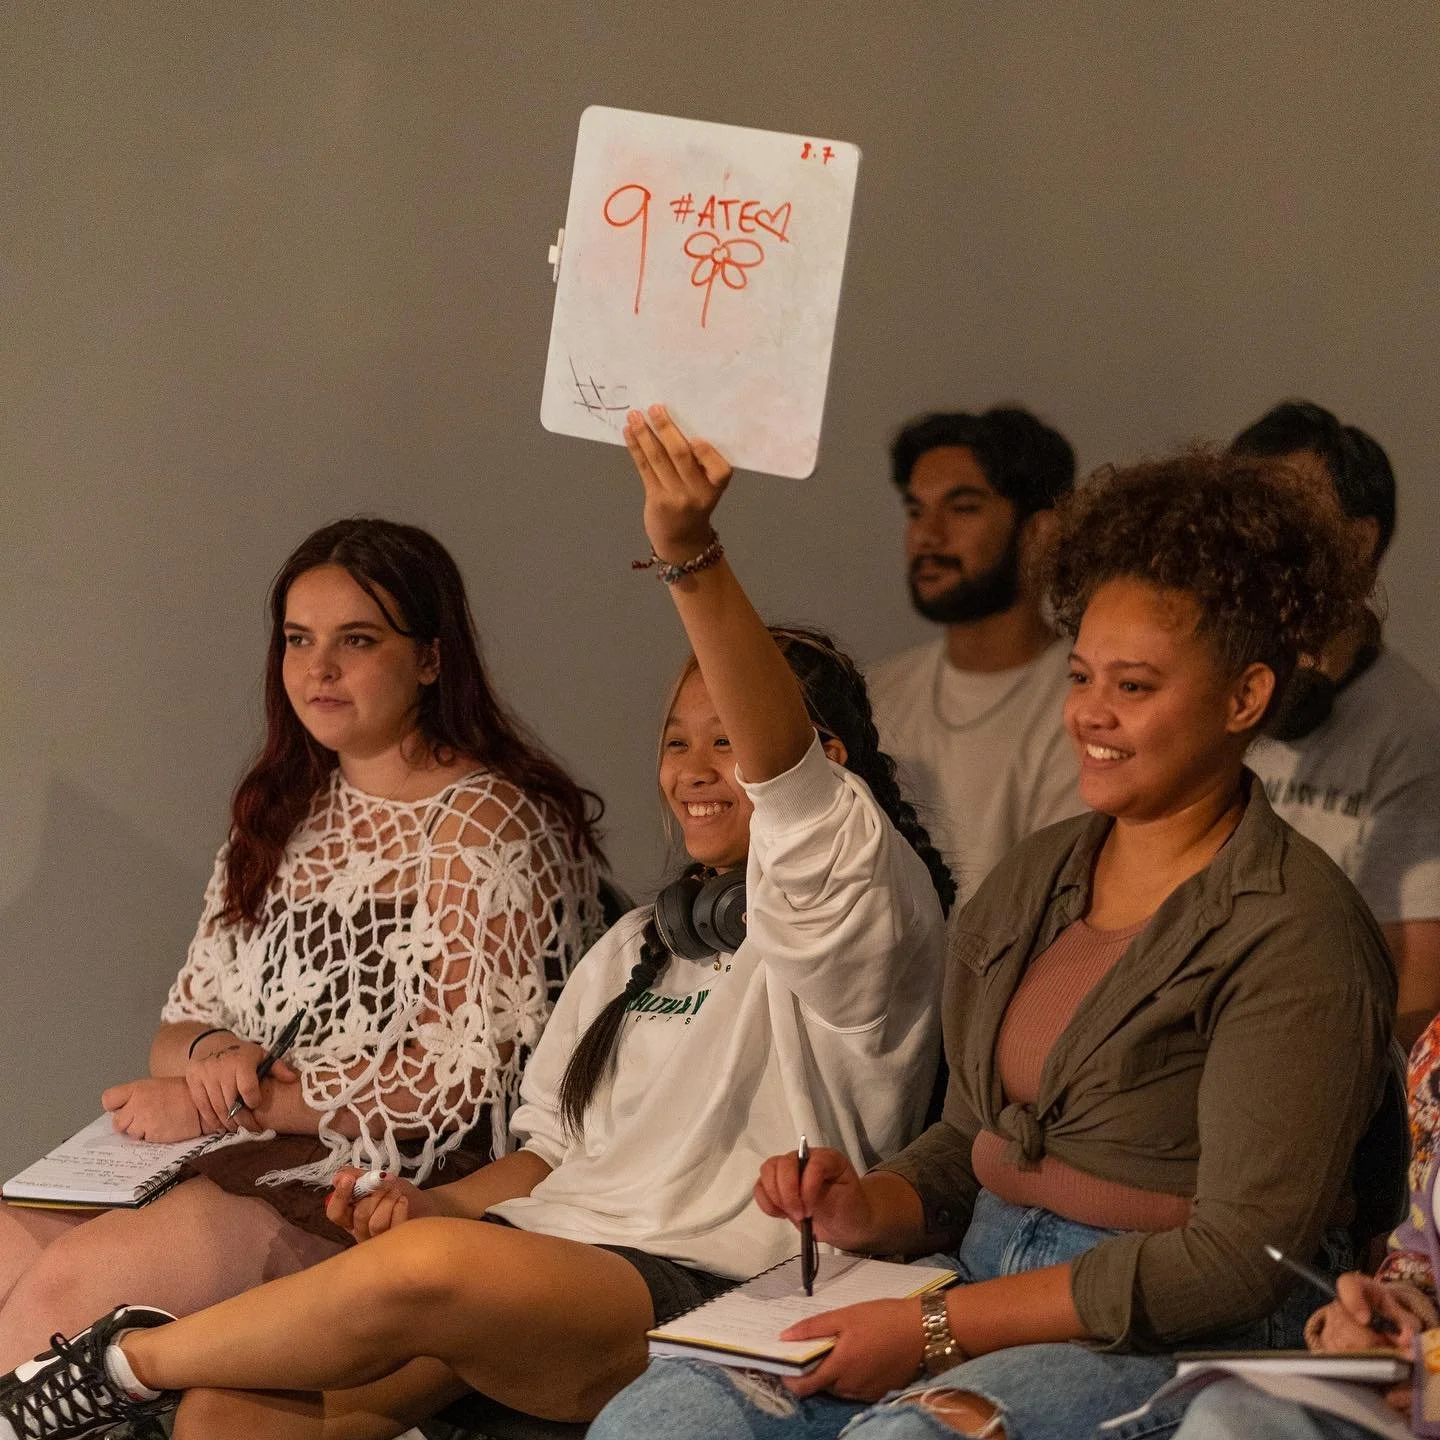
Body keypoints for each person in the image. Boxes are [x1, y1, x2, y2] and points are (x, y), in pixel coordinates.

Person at [0, 406, 952, 1440]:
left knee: (418, 1269)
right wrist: (441, 1205)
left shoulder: (857, 919)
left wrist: (691, 556)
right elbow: (547, 1151)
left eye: (728, 742)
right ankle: (120, 1380)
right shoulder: (642, 945)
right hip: (539, 1249)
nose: (693, 769)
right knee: (238, 1414)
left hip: (714, 1281)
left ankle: (110, 1368)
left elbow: (791, 784)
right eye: (678, 741)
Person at [589, 446, 1397, 1440]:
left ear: (1245, 697)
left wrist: (939, 1328)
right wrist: (869, 1205)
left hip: (1161, 1335)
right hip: (972, 1275)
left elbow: (1234, 1262)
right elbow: (971, 1143)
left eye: (1135, 686)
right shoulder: (1036, 876)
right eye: (1082, 676)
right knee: (660, 1415)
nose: (1090, 713)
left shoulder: (1297, 932)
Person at [0, 518, 606, 1370]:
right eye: (298, 640)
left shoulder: (487, 822)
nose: (318, 669)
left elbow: (457, 1082)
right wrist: (215, 1057)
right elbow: (180, 1028)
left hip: (388, 1181)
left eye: (356, 640)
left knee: (73, 1287)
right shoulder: (282, 813)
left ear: (431, 659)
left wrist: (232, 1104)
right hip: (236, 1149)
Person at [1233, 400, 1440, 1048]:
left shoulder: (1410, 726)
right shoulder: (1205, 690)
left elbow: (1417, 973)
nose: (1261, 540)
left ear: (1358, 540)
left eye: (1288, 514)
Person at [1154, 1009, 1440, 1440]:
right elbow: (1424, 1249)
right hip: (1420, 1385)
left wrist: (1431, 1383)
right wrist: (1389, 1316)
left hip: (1428, 1393)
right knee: (1230, 1414)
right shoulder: (1435, 1052)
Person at [868, 407, 1084, 903]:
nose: (927, 535)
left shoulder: (1090, 703)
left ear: (1041, 531)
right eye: (916, 511)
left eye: (962, 508)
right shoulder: (875, 695)